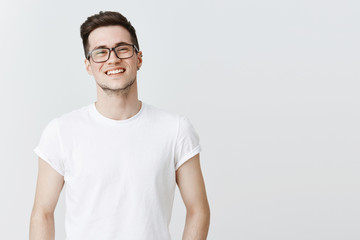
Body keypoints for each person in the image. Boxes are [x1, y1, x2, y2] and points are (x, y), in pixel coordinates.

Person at [29, 11, 210, 240]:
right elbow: (42, 213)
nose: (112, 59)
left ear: (139, 58)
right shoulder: (61, 132)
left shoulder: (175, 130)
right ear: (88, 65)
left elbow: (198, 210)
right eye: (101, 52)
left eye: (122, 48)